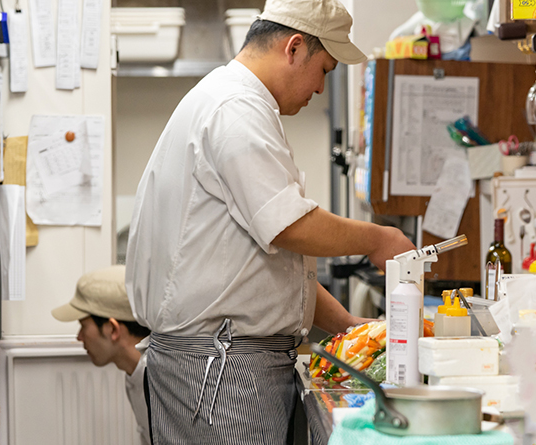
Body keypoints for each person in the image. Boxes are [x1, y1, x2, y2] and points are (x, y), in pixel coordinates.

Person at [125, 0, 416, 442]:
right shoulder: (235, 109)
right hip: (222, 371)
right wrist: (378, 238)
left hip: (225, 363)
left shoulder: (234, 102)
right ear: (294, 48)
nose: (321, 88)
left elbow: (274, 263)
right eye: (325, 69)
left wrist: (352, 329)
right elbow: (289, 226)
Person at [51, 265, 152, 444]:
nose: (79, 337)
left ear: (112, 329)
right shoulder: (134, 372)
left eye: (83, 326)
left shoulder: (160, 381)